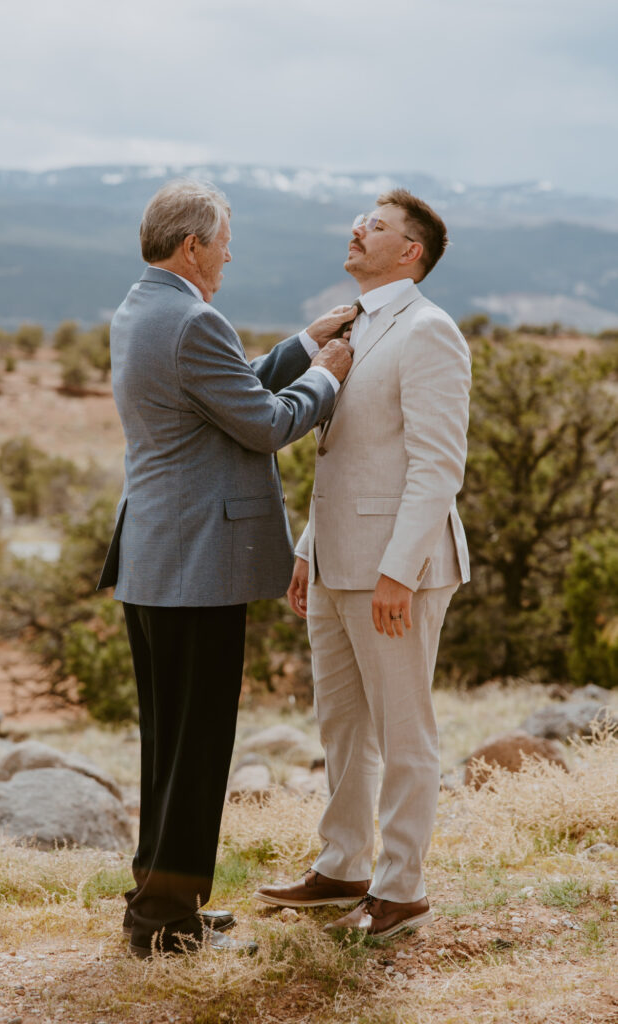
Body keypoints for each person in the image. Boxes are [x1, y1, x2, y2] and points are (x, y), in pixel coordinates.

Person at [97, 179, 355, 957]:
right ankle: (165, 927)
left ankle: (156, 905)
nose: (229, 254)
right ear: (191, 247)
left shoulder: (144, 308)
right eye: (222, 242)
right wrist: (328, 375)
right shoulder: (193, 318)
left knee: (169, 747)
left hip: (158, 561)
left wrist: (301, 344)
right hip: (196, 567)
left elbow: (224, 388)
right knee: (198, 746)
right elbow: (264, 422)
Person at [254, 189, 471, 941]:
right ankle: (342, 867)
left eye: (375, 226)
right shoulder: (352, 325)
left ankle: (401, 888)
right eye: (360, 220)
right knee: (341, 725)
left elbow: (435, 467)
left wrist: (397, 572)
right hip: (333, 562)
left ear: (410, 252)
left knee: (402, 730)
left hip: (394, 572)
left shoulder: (429, 332)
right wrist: (309, 549)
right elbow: (344, 458)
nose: (357, 229)